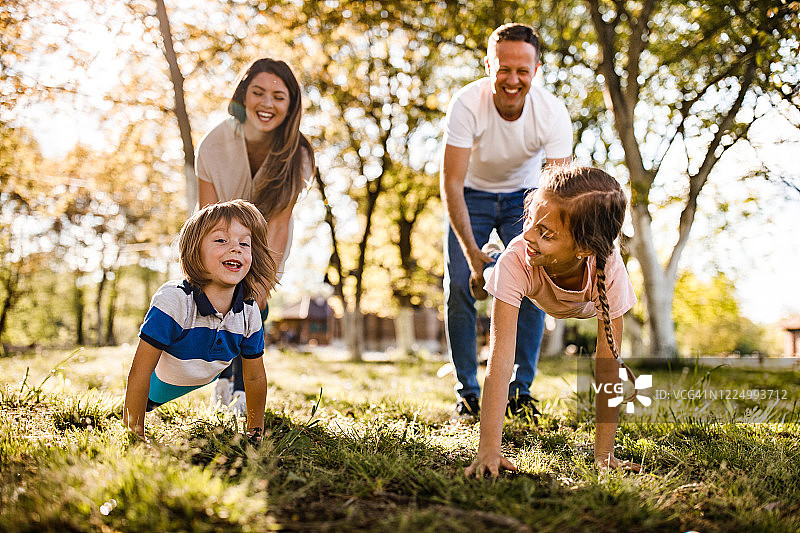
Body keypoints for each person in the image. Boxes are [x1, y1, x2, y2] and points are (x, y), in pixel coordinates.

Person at [465, 165, 640, 476]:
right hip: (524, 279)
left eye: (545, 233)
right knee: (499, 265)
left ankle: (491, 261)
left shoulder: (609, 269)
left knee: (508, 261)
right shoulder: (521, 256)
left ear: (585, 248)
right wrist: (489, 448)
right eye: (531, 220)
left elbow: (607, 366)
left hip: (580, 301)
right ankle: (485, 263)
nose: (528, 233)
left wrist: (604, 455)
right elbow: (501, 360)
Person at [440, 22, 572, 418]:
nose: (512, 80)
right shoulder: (466, 104)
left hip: (528, 197)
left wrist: (554, 248)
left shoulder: (551, 113)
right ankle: (467, 391)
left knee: (533, 283)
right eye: (503, 69)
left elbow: (560, 191)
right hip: (472, 195)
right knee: (461, 287)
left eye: (522, 71)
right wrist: (472, 254)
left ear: (537, 70)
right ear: (488, 65)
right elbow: (451, 181)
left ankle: (520, 391)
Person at [196, 58, 315, 414]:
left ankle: (243, 391)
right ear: (243, 96)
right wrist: (214, 267)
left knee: (251, 310)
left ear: (291, 104)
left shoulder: (299, 153)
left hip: (265, 243)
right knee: (220, 304)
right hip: (218, 235)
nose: (267, 104)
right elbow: (207, 216)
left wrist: (261, 285)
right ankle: (221, 378)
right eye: (258, 92)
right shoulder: (214, 143)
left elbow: (278, 222)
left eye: (279, 96)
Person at [123, 199, 276, 443]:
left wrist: (255, 432)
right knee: (137, 404)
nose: (235, 248)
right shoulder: (173, 300)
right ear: (195, 249)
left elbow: (255, 378)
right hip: (159, 385)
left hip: (207, 373)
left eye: (244, 243)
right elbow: (140, 371)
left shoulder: (249, 311)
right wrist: (135, 433)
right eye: (221, 240)